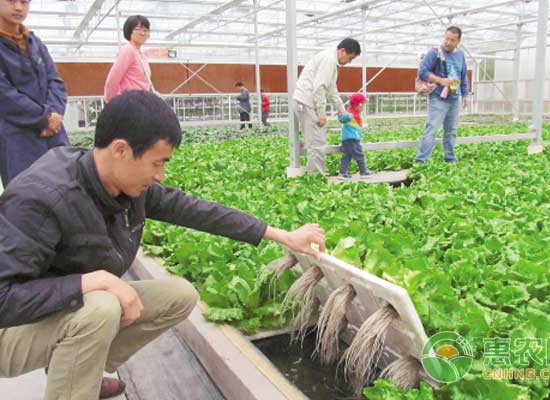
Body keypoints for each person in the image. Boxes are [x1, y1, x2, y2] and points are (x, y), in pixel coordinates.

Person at [0, 90, 326, 400]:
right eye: (157, 162)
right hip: (12, 329)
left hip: (58, 311)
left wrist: (281, 235)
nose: (160, 174)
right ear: (120, 150)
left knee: (178, 296)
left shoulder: (127, 188)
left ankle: (80, 369)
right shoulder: (41, 198)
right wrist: (90, 281)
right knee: (101, 307)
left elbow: (197, 211)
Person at [0, 0, 69, 187]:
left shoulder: (35, 42)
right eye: (11, 1)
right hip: (19, 138)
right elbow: (4, 95)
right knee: (26, 198)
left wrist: (53, 115)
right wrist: (44, 117)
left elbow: (55, 81)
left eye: (24, 1)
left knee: (66, 190)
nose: (19, 7)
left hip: (54, 133)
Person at [293, 38, 361, 175]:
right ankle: (316, 178)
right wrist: (321, 113)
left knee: (314, 141)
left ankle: (314, 176)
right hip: (308, 102)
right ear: (342, 51)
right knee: (317, 142)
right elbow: (319, 88)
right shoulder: (329, 60)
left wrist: (342, 111)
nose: (349, 62)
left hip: (306, 101)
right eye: (350, 57)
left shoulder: (331, 61)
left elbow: (331, 90)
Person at [414, 26, 468, 164]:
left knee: (451, 131)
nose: (448, 42)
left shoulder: (460, 55)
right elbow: (423, 71)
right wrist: (440, 80)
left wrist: (465, 95)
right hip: (439, 98)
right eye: (447, 38)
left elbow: (463, 75)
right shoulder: (435, 52)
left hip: (454, 98)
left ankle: (450, 159)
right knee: (432, 128)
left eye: (452, 40)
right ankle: (421, 161)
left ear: (458, 41)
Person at [104, 15, 170, 103]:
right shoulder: (128, 50)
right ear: (129, 31)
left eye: (146, 30)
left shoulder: (140, 54)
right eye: (138, 29)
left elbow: (149, 53)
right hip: (129, 104)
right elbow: (112, 79)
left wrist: (164, 52)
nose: (143, 33)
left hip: (140, 103)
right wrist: (112, 103)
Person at [338, 93, 372, 179]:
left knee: (347, 156)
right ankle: (363, 172)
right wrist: (346, 115)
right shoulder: (350, 114)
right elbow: (341, 118)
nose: (364, 107)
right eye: (363, 104)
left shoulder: (354, 113)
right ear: (358, 105)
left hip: (348, 139)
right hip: (352, 139)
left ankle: (342, 173)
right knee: (359, 155)